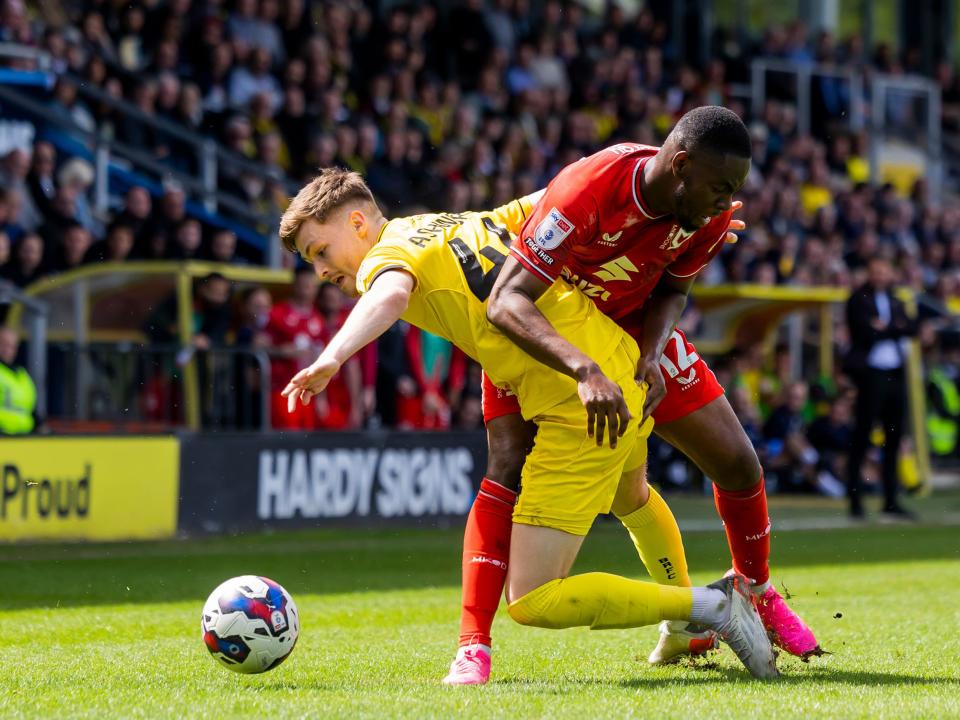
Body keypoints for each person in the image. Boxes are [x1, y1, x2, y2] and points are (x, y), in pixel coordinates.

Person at [279, 167, 778, 680]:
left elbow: (388, 296)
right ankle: (683, 627)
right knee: (631, 498)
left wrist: (332, 358)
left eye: (320, 251)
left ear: (358, 222)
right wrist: (677, 214)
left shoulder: (384, 258)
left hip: (579, 401)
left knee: (534, 599)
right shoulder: (452, 222)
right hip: (619, 362)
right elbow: (559, 195)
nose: (320, 270)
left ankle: (710, 606)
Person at [445, 107, 819, 686]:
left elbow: (673, 288)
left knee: (737, 463)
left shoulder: (709, 216)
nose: (727, 203)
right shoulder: (588, 188)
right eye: (720, 188)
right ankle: (474, 647)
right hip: (547, 335)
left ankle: (755, 591)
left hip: (636, 333)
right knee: (506, 469)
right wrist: (586, 369)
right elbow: (506, 301)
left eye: (735, 191)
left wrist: (650, 351)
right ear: (681, 164)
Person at [843, 256, 919, 519]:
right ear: (869, 272)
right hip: (870, 374)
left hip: (895, 374)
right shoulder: (858, 298)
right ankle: (855, 501)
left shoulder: (896, 299)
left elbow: (911, 327)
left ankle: (891, 499)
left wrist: (887, 328)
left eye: (884, 270)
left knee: (894, 436)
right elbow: (865, 333)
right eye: (875, 270)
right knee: (862, 435)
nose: (879, 275)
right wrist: (894, 329)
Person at [265, 265, 325, 429]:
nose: (307, 290)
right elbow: (259, 344)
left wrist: (321, 397)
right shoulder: (277, 313)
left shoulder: (318, 319)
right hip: (283, 389)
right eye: (303, 284)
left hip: (309, 393)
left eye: (310, 285)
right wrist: (280, 351)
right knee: (287, 438)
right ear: (295, 285)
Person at [0, 327, 37, 435]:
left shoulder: (23, 375)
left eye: (12, 346)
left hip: (24, 438)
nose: (7, 349)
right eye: (3, 344)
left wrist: (40, 426)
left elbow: (31, 409)